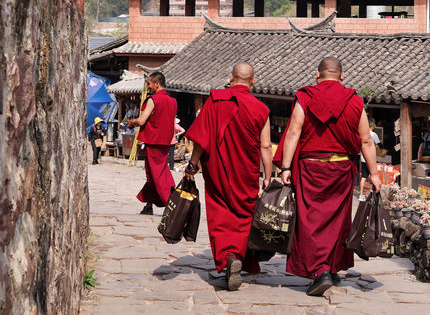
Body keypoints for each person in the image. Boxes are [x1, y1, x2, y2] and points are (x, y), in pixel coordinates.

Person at [274, 56, 382, 296]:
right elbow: (365, 139)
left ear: (317, 74)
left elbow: (293, 132)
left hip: (310, 169)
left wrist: (285, 167)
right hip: (341, 170)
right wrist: (374, 174)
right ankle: (331, 268)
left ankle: (322, 270)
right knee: (337, 221)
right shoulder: (354, 100)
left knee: (311, 221)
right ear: (342, 76)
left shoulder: (305, 97)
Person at [184, 62, 273, 291]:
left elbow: (201, 139)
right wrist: (268, 176)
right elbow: (265, 146)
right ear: (253, 82)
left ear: (231, 79)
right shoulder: (261, 109)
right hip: (247, 173)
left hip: (217, 169)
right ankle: (238, 256)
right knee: (244, 216)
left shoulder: (215, 100)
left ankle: (228, 258)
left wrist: (192, 166)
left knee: (220, 213)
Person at [128, 72, 177, 215]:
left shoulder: (153, 100)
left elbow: (142, 121)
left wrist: (132, 122)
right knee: (154, 173)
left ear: (157, 83)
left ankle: (172, 203)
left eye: (149, 83)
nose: (148, 86)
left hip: (153, 141)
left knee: (158, 175)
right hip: (165, 142)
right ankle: (148, 206)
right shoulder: (173, 101)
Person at [358, 120, 382, 201]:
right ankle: (372, 193)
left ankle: (361, 195)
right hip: (371, 159)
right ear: (373, 126)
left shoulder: (361, 133)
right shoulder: (373, 134)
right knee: (373, 175)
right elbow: (380, 145)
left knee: (364, 177)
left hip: (362, 158)